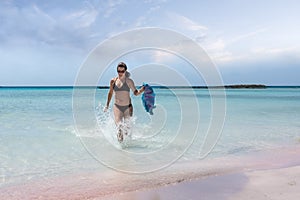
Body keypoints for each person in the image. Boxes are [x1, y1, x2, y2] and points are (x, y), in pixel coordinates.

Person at [104, 62, 145, 142]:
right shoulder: (113, 81)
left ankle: (128, 147)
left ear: (125, 71)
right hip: (117, 107)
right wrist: (107, 105)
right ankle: (121, 148)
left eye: (122, 71)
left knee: (127, 130)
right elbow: (110, 93)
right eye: (119, 71)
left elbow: (135, 93)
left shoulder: (129, 81)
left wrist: (142, 90)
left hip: (128, 107)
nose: (120, 73)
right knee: (119, 127)